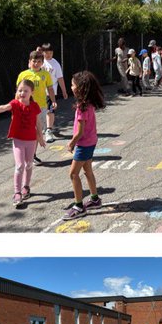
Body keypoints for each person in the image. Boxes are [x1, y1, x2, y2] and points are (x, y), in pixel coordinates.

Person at [0, 79, 42, 207]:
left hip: (31, 140)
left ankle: (26, 187)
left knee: (29, 164)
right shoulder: (15, 104)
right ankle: (17, 193)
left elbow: (38, 122)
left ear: (32, 92)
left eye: (25, 91)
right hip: (18, 140)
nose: (22, 93)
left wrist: (40, 136)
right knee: (19, 166)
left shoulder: (35, 106)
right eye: (20, 90)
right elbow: (4, 107)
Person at [63, 71, 105, 219]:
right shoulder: (89, 104)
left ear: (81, 88)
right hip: (91, 142)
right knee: (87, 171)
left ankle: (79, 206)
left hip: (84, 144)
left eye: (73, 85)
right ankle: (95, 199)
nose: (71, 87)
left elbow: (80, 132)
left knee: (73, 174)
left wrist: (71, 143)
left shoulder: (82, 107)